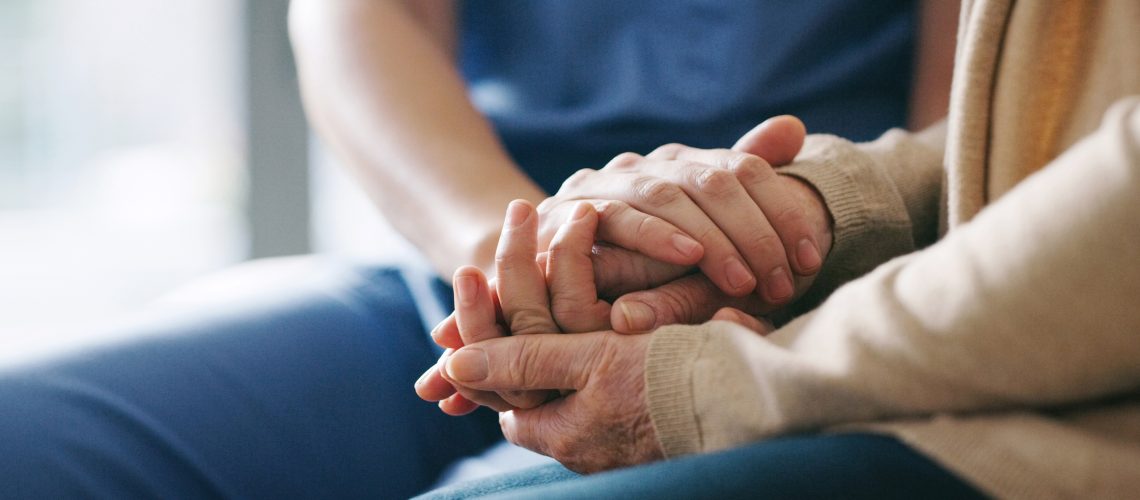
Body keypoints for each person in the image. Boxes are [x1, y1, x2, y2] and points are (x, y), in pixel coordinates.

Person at [0, 1, 953, 499]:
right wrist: (522, 259)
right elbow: (362, 14)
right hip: (455, 275)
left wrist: (809, 271)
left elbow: (984, 115)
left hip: (799, 308)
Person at [417, 0, 1140, 497]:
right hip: (593, 257)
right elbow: (1038, 127)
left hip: (1068, 432)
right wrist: (814, 208)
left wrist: (719, 382)